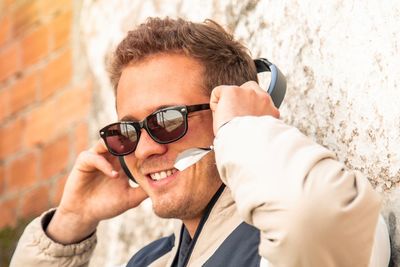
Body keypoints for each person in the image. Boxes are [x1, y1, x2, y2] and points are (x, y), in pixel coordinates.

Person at [11, 17, 390, 267]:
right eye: (127, 130)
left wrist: (244, 132)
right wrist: (68, 227)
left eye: (167, 120)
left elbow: (320, 223)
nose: (144, 150)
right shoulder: (149, 261)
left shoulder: (284, 240)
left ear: (229, 112)